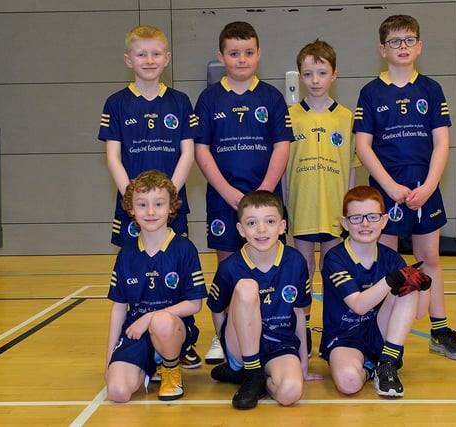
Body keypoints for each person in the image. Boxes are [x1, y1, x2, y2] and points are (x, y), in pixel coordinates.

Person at [353, 14, 456, 361]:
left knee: (429, 257)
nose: (402, 47)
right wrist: (389, 186)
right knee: (386, 262)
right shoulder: (371, 92)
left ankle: (439, 330)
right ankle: (383, 336)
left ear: (419, 47)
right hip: (386, 192)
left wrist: (431, 184)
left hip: (425, 188)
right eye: (395, 41)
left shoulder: (431, 90)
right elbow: (363, 146)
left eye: (408, 40)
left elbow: (442, 144)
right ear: (382, 49)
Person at [98, 25, 203, 368]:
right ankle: (133, 341)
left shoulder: (180, 101)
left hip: (172, 204)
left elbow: (188, 154)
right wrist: (134, 199)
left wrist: (167, 197)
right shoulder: (116, 103)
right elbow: (113, 156)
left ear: (167, 58)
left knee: (179, 270)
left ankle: (179, 340)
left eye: (156, 53)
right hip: (135, 208)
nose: (149, 59)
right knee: (136, 270)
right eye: (141, 53)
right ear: (128, 59)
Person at [194, 21, 293, 365]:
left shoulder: (271, 97)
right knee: (228, 268)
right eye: (234, 54)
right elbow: (201, 150)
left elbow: (282, 145)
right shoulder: (208, 99)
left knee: (273, 264)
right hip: (224, 201)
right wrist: (229, 193)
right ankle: (223, 337)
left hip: (265, 199)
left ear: (259, 54)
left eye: (248, 53)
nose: (241, 60)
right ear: (222, 56)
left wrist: (264, 192)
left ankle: (271, 330)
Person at [206, 190, 322, 409]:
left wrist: (303, 364)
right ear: (240, 229)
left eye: (270, 221)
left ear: (282, 226)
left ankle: (257, 380)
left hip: (279, 344)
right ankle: (247, 370)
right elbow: (217, 310)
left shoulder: (295, 262)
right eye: (252, 223)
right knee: (247, 287)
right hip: (241, 344)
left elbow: (299, 312)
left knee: (290, 393)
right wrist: (228, 355)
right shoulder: (230, 267)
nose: (261, 230)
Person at [104, 170, 207, 402]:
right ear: (131, 209)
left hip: (174, 329)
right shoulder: (126, 254)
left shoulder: (184, 248)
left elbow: (195, 304)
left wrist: (150, 318)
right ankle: (151, 363)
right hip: (136, 333)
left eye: (158, 204)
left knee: (160, 321)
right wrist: (110, 359)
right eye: (142, 205)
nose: (150, 212)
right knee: (118, 392)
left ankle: (170, 369)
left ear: (171, 207)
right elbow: (119, 308)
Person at [285, 39, 359, 357]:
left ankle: (332, 329)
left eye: (321, 72)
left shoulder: (346, 118)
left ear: (334, 75)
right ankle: (303, 330)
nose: (315, 80)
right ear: (300, 77)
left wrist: (350, 210)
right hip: (302, 208)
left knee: (332, 270)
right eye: (308, 73)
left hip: (334, 209)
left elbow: (352, 169)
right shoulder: (289, 117)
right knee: (302, 271)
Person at [320, 186, 431, 397]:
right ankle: (372, 369)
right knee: (348, 382)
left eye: (372, 217)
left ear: (384, 221)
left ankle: (387, 362)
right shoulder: (335, 258)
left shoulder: (392, 258)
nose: (365, 224)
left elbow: (418, 314)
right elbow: (359, 306)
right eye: (356, 218)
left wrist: (425, 287)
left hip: (381, 332)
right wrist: (391, 280)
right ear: (344, 222)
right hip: (345, 337)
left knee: (408, 284)